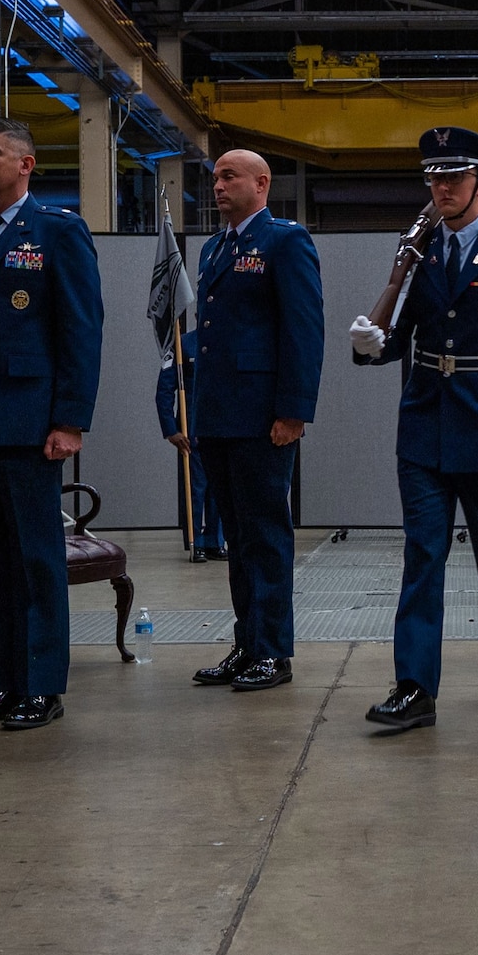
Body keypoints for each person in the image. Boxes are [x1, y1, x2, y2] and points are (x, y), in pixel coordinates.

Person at [349, 127, 478, 728]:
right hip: (423, 424)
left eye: (454, 177)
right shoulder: (417, 253)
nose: (441, 186)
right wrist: (371, 345)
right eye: (434, 178)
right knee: (422, 555)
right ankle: (415, 687)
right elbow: (401, 334)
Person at [0, 118, 102, 732]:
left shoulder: (57, 230)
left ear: (26, 164)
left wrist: (70, 419)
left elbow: (81, 330)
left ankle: (40, 684)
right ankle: (1, 684)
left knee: (34, 558)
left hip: (30, 423)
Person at [185, 149, 325, 693]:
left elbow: (303, 330)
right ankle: (246, 644)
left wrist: (293, 411)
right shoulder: (216, 246)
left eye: (229, 176)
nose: (217, 186)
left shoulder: (285, 240)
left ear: (262, 183)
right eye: (215, 177)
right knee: (238, 538)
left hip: (264, 415)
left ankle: (272, 652)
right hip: (219, 413)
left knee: (266, 536)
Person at [156, 336, 225, 560]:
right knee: (195, 490)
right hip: (192, 431)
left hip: (223, 430)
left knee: (220, 491)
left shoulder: (228, 340)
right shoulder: (182, 343)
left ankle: (216, 541)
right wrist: (171, 430)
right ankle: (196, 543)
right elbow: (164, 390)